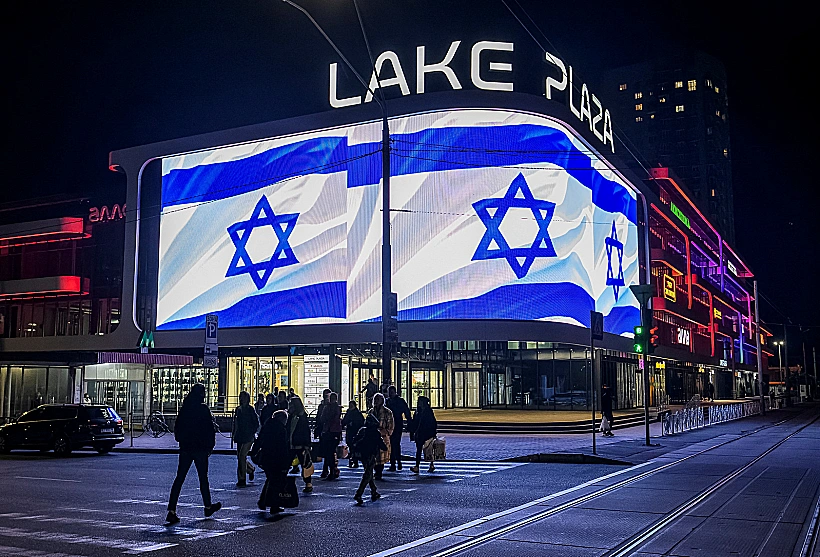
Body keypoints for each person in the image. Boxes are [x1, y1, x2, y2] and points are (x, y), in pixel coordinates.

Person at [165, 384, 221, 525]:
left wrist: (181, 439)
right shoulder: (203, 409)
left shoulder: (185, 408)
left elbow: (178, 427)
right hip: (200, 448)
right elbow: (209, 428)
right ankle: (207, 506)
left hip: (186, 447)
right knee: (203, 478)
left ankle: (171, 509)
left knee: (180, 478)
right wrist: (210, 445)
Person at [254, 410, 291, 514]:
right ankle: (274, 505)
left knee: (270, 480)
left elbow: (260, 440)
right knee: (275, 482)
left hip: (266, 457)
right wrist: (286, 462)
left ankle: (263, 501)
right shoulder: (281, 429)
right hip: (276, 458)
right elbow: (282, 447)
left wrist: (254, 451)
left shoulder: (267, 426)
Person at [352, 415, 387, 505]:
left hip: (362, 454)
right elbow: (381, 444)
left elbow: (355, 441)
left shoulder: (362, 430)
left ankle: (374, 491)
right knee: (367, 474)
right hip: (371, 454)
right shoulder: (375, 433)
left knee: (369, 473)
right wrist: (385, 447)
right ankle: (359, 494)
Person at [287, 396, 314, 493]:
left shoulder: (301, 417)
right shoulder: (291, 416)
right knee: (287, 463)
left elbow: (305, 431)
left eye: (291, 404)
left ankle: (308, 483)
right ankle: (307, 483)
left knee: (304, 463)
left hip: (299, 444)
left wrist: (307, 445)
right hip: (291, 443)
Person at [232, 391, 259, 487]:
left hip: (248, 436)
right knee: (240, 457)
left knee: (242, 455)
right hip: (240, 436)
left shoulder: (250, 409)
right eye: (241, 397)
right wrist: (234, 434)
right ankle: (250, 469)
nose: (242, 399)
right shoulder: (238, 409)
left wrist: (252, 432)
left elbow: (256, 422)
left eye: (243, 397)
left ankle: (242, 479)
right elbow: (236, 423)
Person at [409, 395, 437, 473]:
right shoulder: (418, 411)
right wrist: (412, 432)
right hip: (420, 434)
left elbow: (432, 422)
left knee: (429, 450)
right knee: (419, 450)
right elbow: (415, 422)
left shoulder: (428, 411)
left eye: (420, 401)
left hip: (427, 433)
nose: (418, 403)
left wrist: (433, 432)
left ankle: (431, 464)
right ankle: (417, 466)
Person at [369, 393, 394, 481]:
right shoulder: (371, 411)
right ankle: (375, 471)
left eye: (378, 400)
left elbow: (391, 425)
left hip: (382, 436)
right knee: (373, 455)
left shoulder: (387, 412)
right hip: (372, 436)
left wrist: (386, 432)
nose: (376, 401)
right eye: (375, 399)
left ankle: (379, 472)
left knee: (381, 456)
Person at [386, 386, 411, 471]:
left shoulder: (398, 401)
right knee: (393, 444)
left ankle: (396, 462)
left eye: (391, 392)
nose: (390, 394)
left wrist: (409, 421)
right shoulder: (388, 401)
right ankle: (395, 463)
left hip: (397, 424)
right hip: (391, 424)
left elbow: (406, 411)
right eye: (389, 392)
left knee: (395, 443)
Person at [321, 392, 343, 480]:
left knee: (329, 452)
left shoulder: (330, 408)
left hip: (331, 431)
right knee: (329, 452)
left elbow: (324, 418)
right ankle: (330, 470)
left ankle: (331, 470)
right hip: (332, 431)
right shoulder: (335, 408)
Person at [314, 389, 332, 477]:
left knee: (329, 450)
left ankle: (327, 469)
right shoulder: (321, 406)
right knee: (326, 450)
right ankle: (327, 469)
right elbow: (318, 418)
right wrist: (317, 428)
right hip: (323, 429)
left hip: (330, 431)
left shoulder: (331, 407)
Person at [342, 400, 365, 468]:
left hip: (355, 432)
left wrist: (353, 424)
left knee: (354, 447)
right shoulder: (349, 412)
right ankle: (352, 460)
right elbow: (344, 421)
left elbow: (361, 422)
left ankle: (354, 461)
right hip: (350, 431)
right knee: (350, 446)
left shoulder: (357, 413)